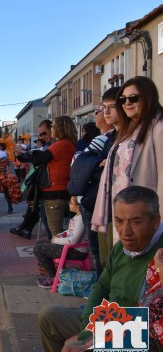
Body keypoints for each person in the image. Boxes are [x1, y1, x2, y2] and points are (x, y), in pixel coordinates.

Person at [38, 186, 163, 352]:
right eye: (119, 221)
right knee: (49, 317)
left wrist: (94, 341)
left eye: (136, 222)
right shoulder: (123, 247)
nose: (125, 231)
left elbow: (151, 327)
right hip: (110, 321)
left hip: (142, 336)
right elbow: (102, 288)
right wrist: (86, 333)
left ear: (155, 222)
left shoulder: (160, 257)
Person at [93, 76, 163, 247]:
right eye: (123, 99)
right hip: (124, 211)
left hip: (145, 215)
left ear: (148, 97)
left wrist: (159, 221)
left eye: (133, 98)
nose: (127, 103)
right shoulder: (129, 130)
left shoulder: (158, 128)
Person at [67, 87, 119, 277]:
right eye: (102, 107)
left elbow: (78, 162)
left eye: (109, 107)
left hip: (106, 204)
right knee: (101, 255)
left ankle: (103, 299)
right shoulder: (109, 139)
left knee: (102, 255)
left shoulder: (110, 138)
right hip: (95, 201)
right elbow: (78, 162)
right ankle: (101, 297)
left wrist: (92, 164)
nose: (104, 112)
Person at [31, 116, 77, 238]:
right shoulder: (68, 144)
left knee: (55, 231)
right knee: (52, 227)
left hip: (55, 191)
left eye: (53, 126)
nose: (52, 129)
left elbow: (38, 159)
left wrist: (27, 153)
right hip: (58, 190)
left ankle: (58, 254)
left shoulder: (62, 144)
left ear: (59, 128)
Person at [10, 120, 54, 239]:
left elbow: (39, 157)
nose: (42, 137)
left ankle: (26, 229)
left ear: (53, 130)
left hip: (52, 186)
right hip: (46, 184)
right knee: (34, 203)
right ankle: (25, 228)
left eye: (44, 134)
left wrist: (23, 154)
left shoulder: (56, 145)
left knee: (38, 208)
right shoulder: (50, 145)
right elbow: (35, 157)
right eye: (40, 135)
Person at [33, 196, 87, 288]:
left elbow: (73, 240)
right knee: (39, 243)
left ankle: (53, 277)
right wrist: (59, 235)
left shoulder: (81, 219)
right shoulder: (77, 217)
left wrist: (55, 240)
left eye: (71, 203)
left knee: (38, 249)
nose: (69, 204)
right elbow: (69, 232)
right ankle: (52, 274)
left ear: (78, 207)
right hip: (71, 248)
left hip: (77, 251)